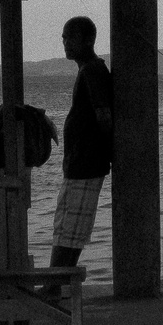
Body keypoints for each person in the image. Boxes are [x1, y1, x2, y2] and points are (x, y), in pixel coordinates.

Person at [49, 15, 113, 273]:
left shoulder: (93, 70)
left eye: (71, 37)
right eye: (64, 38)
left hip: (85, 163)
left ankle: (56, 284)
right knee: (68, 225)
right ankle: (58, 283)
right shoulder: (89, 70)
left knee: (69, 228)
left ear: (88, 40)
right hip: (81, 162)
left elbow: (104, 115)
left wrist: (102, 149)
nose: (65, 43)